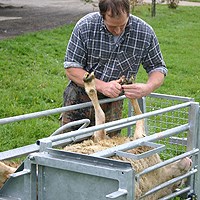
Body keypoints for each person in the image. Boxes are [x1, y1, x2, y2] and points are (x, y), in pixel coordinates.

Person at [60, 0, 167, 136]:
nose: (117, 31)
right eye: (112, 26)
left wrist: (148, 87)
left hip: (113, 102)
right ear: (102, 15)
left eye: (122, 25)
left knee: (108, 148)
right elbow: (71, 68)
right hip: (81, 98)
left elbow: (158, 67)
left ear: (129, 13)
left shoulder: (144, 32)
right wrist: (102, 86)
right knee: (72, 148)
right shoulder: (85, 26)